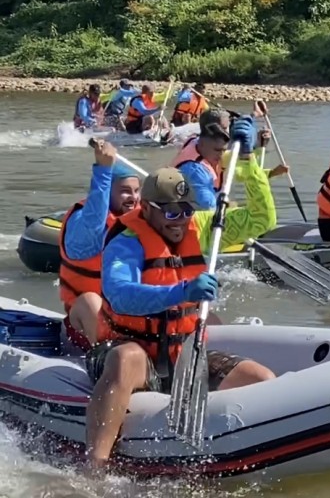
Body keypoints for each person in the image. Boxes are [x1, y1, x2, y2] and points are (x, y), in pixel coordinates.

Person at [84, 118, 278, 469]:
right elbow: (120, 295)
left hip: (183, 352)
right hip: (132, 349)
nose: (179, 220)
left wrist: (248, 159)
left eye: (186, 211)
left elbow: (262, 219)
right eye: (171, 212)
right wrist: (182, 291)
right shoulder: (127, 241)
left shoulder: (198, 225)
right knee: (125, 359)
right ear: (148, 209)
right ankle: (95, 466)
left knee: (261, 379)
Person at [58, 140, 140, 350]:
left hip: (129, 325)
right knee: (91, 301)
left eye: (136, 191)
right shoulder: (83, 228)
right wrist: (103, 169)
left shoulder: (140, 223)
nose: (133, 198)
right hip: (83, 327)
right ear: (107, 192)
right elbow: (94, 220)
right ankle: (105, 362)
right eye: (124, 191)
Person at [173, 108, 286, 209]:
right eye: (226, 128)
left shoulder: (199, 143)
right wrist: (230, 207)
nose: (229, 132)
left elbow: (238, 170)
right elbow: (209, 211)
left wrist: (259, 145)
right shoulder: (196, 171)